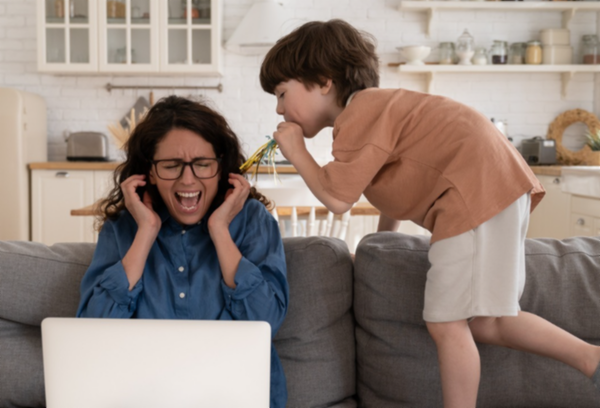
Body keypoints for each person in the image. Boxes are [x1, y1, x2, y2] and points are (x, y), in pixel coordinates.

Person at [259, 19, 600, 408]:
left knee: (445, 323)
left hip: (471, 193)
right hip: (498, 189)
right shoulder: (378, 112)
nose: (279, 108)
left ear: (323, 81)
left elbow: (337, 198)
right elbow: (389, 190)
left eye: (283, 93)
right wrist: (379, 240)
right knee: (491, 321)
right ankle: (592, 360)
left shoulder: (360, 113)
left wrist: (296, 152)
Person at [77, 96, 289, 408]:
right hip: (144, 396)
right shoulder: (124, 228)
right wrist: (146, 231)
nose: (187, 179)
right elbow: (93, 331)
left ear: (220, 169)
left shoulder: (253, 221)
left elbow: (266, 321)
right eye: (171, 166)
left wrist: (219, 230)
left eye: (202, 164)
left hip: (234, 395)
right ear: (149, 172)